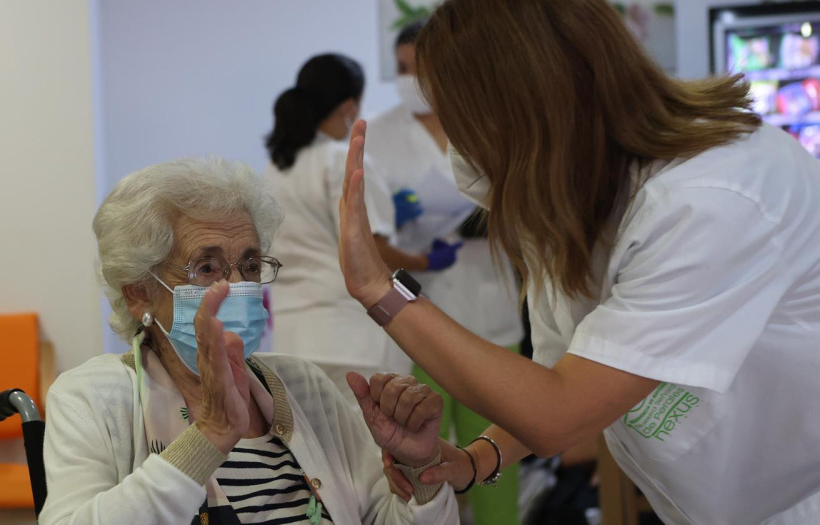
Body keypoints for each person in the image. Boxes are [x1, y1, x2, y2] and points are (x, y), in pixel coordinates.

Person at [338, 1, 820, 523]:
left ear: (526, 104)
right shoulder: (571, 194)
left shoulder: (711, 197)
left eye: (463, 117)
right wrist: (474, 459)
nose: (460, 146)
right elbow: (556, 377)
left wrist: (381, 290)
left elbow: (559, 413)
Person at [41, 157, 459, 524]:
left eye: (250, 264)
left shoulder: (304, 386)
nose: (238, 285)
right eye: (207, 266)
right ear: (138, 293)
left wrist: (420, 469)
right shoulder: (93, 399)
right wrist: (208, 437)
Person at [366, 20, 525, 525]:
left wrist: (490, 218)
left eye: (420, 69)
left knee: (496, 454)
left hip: (491, 313)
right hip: (420, 322)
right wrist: (401, 220)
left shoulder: (494, 124)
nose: (409, 79)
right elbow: (371, 231)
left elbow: (532, 206)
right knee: (423, 463)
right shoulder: (381, 134)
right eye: (401, 68)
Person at [264, 54, 461, 387]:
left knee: (315, 437)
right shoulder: (345, 159)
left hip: (292, 340)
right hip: (352, 341)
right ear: (349, 107)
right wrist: (427, 260)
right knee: (367, 439)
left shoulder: (275, 169)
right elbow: (373, 252)